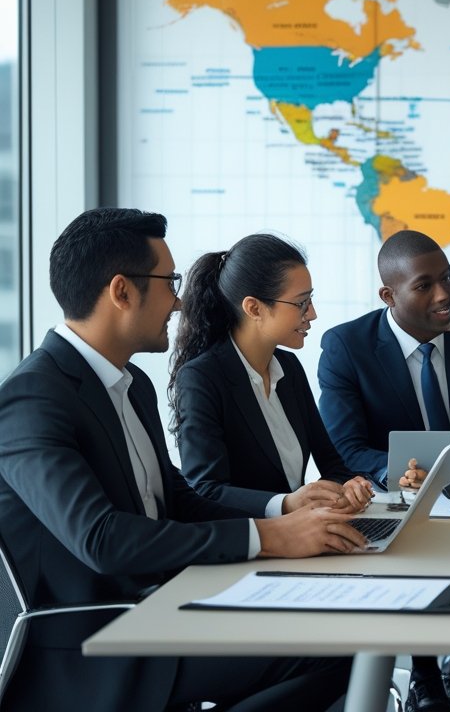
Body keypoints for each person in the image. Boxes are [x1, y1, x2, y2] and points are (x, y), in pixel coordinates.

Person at [0, 208, 368, 712]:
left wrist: (287, 519)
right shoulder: (32, 399)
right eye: (168, 282)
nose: (178, 301)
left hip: (162, 606)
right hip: (98, 643)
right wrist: (267, 537)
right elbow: (102, 540)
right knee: (335, 650)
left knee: (338, 625)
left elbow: (179, 501)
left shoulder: (133, 386)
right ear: (122, 291)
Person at [318, 228, 450, 712]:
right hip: (390, 499)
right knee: (411, 557)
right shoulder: (346, 347)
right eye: (424, 285)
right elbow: (344, 446)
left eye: (447, 278)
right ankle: (423, 676)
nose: (444, 295)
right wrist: (397, 471)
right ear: (388, 295)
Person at [169, 233, 372, 518]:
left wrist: (348, 486)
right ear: (254, 308)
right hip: (251, 543)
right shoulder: (201, 378)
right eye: (301, 303)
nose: (311, 314)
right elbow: (206, 490)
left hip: (305, 533)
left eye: (310, 300)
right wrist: (286, 504)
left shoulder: (289, 367)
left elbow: (332, 463)